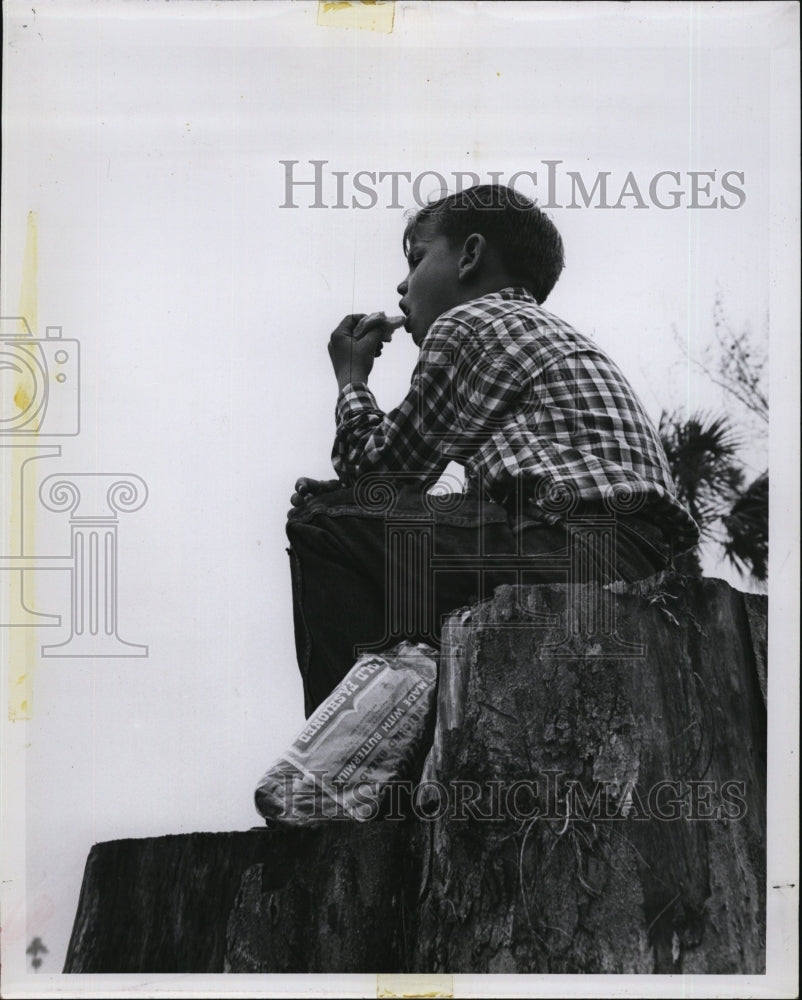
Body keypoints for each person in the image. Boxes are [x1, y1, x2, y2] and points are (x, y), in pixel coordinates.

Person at [286, 185, 699, 716]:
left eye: (415, 261)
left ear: (471, 256)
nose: (401, 285)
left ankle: (350, 745)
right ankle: (412, 711)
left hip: (572, 547)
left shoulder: (466, 324)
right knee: (358, 523)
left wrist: (351, 379)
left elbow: (380, 471)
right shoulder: (541, 332)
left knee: (323, 527)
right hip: (632, 556)